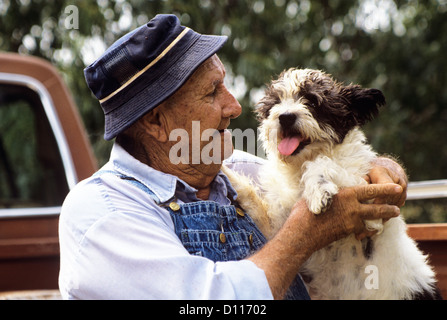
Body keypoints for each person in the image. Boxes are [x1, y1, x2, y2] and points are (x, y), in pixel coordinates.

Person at [58, 14, 407, 300]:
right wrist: (303, 233)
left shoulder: (241, 170)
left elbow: (335, 160)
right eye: (212, 92)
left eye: (224, 84)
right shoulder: (104, 213)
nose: (235, 106)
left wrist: (382, 168)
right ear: (156, 121)